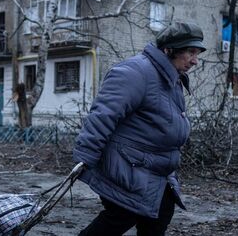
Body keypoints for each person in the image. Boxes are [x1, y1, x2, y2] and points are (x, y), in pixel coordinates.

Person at [73, 22, 206, 235]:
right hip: (127, 167)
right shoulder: (135, 72)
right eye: (190, 52)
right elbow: (102, 115)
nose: (195, 60)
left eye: (197, 53)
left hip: (156, 169)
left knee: (160, 214)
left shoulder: (171, 78)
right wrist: (84, 158)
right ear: (169, 50)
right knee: (121, 215)